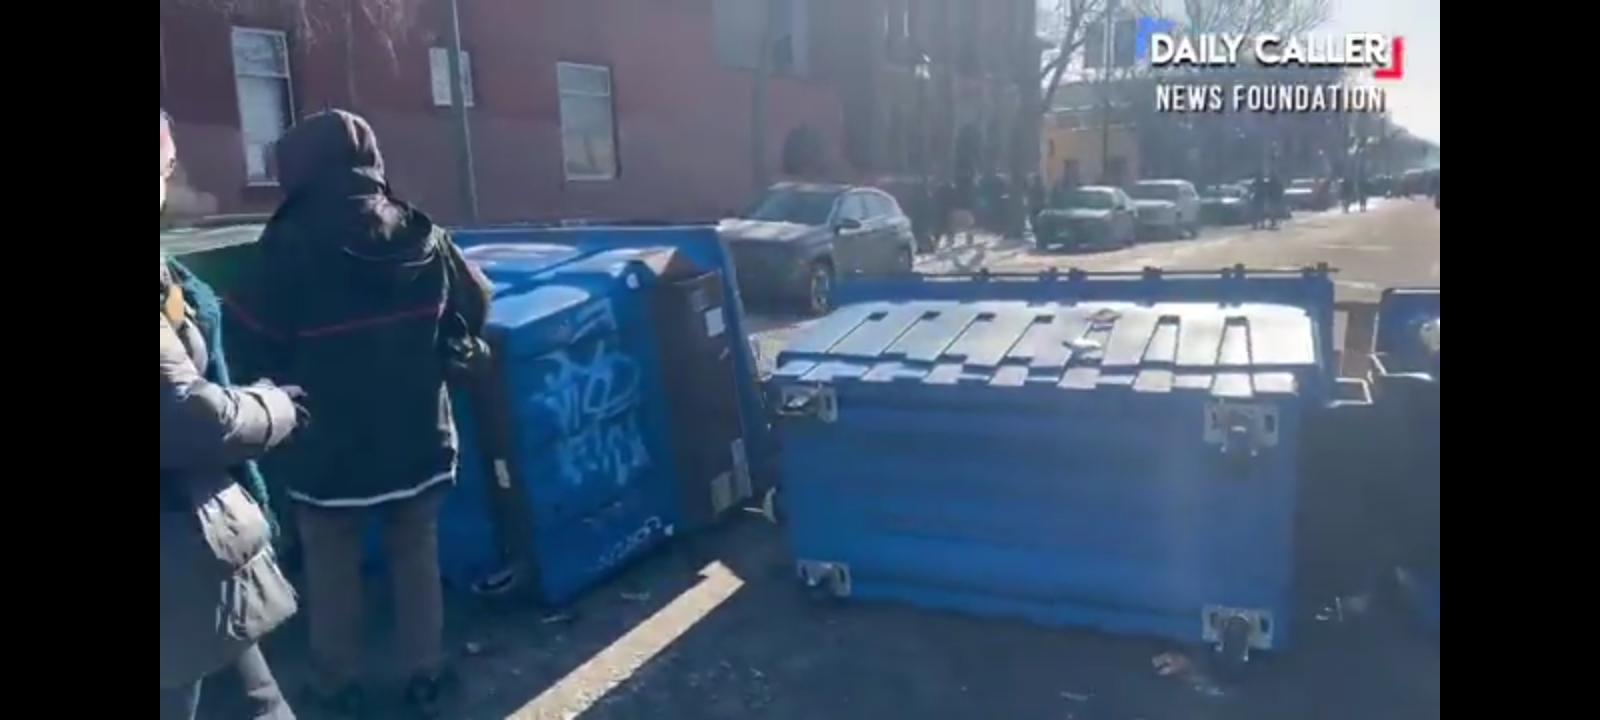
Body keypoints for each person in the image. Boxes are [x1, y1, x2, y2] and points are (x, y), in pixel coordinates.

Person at [225, 109, 491, 718]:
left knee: (332, 564)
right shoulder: (421, 231)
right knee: (414, 553)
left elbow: (242, 339)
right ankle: (424, 674)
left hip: (328, 449)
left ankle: (334, 682)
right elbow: (475, 304)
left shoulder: (288, 243)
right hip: (419, 435)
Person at [160, 110, 303, 720]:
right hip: (176, 548)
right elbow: (189, 419)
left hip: (191, 545)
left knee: (257, 701)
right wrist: (276, 407)